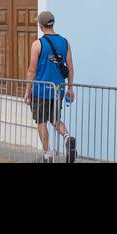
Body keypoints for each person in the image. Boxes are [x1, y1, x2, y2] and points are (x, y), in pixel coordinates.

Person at [24, 10, 76, 163]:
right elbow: (70, 68)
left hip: (40, 91)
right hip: (58, 91)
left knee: (41, 121)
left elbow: (32, 70)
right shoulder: (65, 42)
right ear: (52, 24)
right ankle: (67, 138)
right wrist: (70, 88)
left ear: (40, 25)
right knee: (55, 119)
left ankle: (47, 154)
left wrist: (28, 91)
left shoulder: (37, 44)